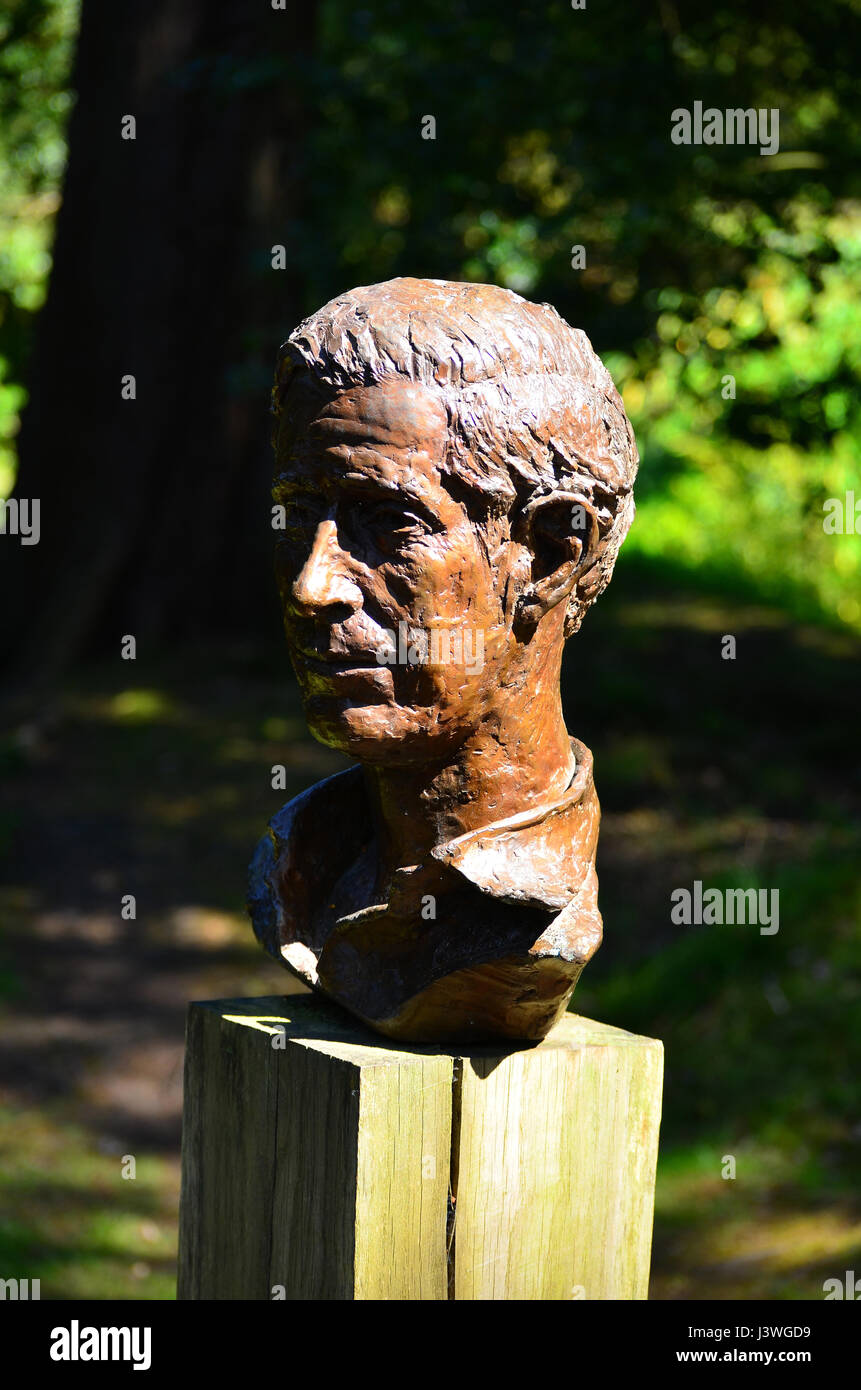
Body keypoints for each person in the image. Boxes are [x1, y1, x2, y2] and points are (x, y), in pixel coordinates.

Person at [249, 277, 639, 1042]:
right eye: (300, 518)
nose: (311, 585)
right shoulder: (297, 866)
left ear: (552, 554)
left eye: (388, 524)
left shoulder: (532, 926)